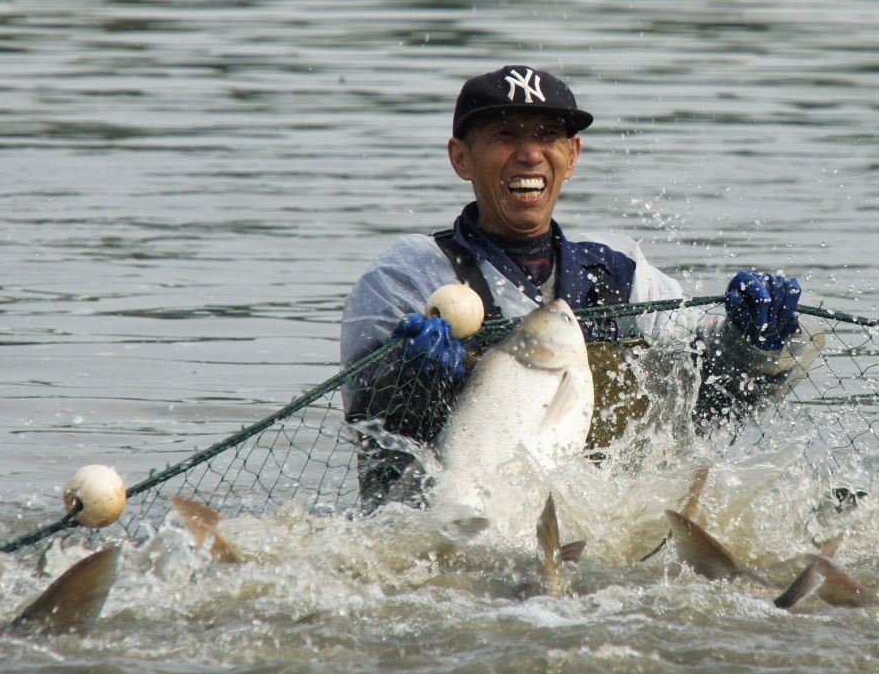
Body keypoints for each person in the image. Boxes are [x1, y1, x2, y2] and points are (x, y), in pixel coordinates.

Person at [341, 64, 811, 507]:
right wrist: (412, 382)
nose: (530, 154)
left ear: (572, 156)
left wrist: (753, 343)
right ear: (460, 157)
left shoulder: (620, 273)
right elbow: (374, 436)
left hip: (598, 521)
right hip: (447, 522)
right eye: (505, 135)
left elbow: (704, 399)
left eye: (548, 135)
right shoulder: (406, 278)